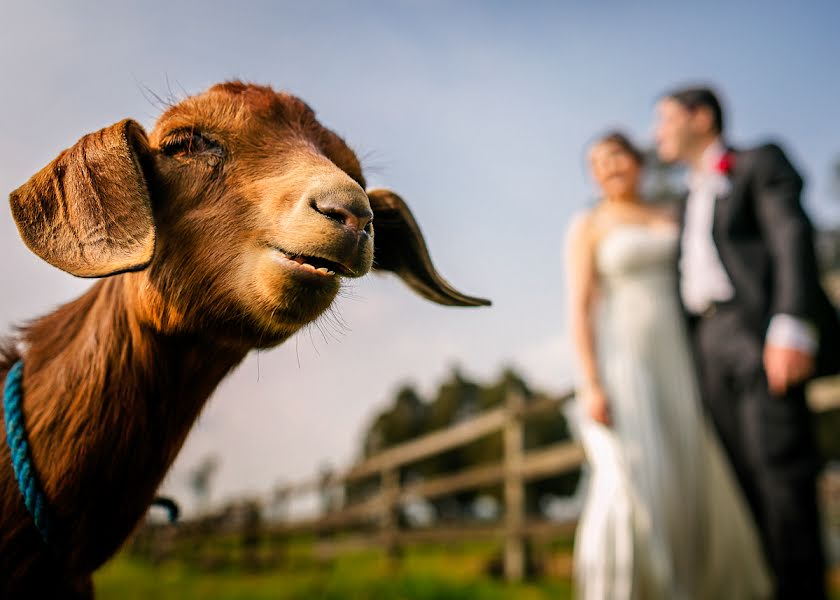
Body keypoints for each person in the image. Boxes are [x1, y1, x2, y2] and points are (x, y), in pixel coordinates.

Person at [567, 131, 771, 599]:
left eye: (616, 156)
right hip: (625, 359)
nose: (608, 168)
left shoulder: (672, 212)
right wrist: (592, 381)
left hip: (681, 357)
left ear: (638, 161)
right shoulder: (590, 225)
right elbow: (578, 307)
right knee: (629, 475)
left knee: (687, 463)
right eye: (596, 163)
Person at [655, 86, 840, 599]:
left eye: (665, 120)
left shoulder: (758, 162)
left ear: (701, 117)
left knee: (781, 471)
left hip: (756, 330)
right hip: (705, 346)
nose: (658, 133)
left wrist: (790, 323)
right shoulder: (682, 198)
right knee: (742, 483)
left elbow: (790, 235)